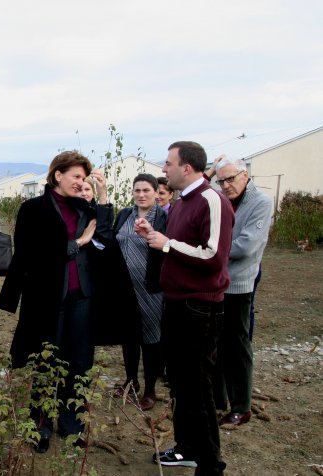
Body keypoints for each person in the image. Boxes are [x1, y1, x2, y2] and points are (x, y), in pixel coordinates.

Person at [0, 150, 112, 452]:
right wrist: (78, 243)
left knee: (79, 362)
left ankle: (72, 425)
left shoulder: (83, 207)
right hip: (47, 299)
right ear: (58, 175)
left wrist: (102, 196)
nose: (80, 182)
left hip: (82, 297)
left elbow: (105, 238)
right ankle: (41, 426)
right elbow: (32, 255)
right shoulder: (33, 209)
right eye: (76, 176)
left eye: (84, 178)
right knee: (46, 362)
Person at [137, 141, 234, 474]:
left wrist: (168, 245)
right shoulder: (180, 203)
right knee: (179, 383)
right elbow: (179, 247)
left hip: (199, 309)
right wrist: (154, 235)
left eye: (168, 163)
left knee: (198, 389)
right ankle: (186, 448)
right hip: (176, 304)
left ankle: (210, 466)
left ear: (187, 168)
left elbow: (213, 256)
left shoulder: (212, 200)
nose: (164, 169)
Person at [212, 157, 272, 427]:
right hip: (215, 281)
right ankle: (219, 397)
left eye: (231, 179)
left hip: (238, 283)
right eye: (221, 180)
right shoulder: (221, 199)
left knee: (237, 344)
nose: (226, 185)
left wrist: (210, 251)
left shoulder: (260, 202)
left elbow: (246, 246)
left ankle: (241, 406)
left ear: (245, 176)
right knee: (216, 341)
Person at [111, 173, 167, 411]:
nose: (141, 195)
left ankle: (150, 389)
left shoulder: (163, 217)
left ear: (156, 192)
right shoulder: (125, 214)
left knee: (151, 338)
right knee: (129, 335)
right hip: (125, 287)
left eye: (146, 190)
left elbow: (168, 249)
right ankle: (131, 380)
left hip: (151, 287)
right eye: (137, 190)